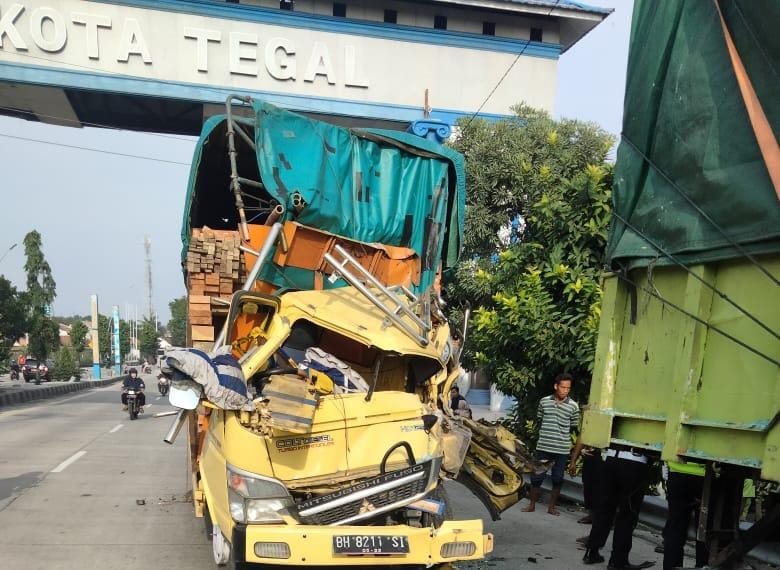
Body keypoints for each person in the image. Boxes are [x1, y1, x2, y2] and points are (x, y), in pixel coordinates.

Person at [583, 448, 655, 569]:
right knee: (627, 513)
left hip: (611, 459)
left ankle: (591, 551)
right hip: (635, 461)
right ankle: (618, 560)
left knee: (605, 508)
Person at [522, 372, 580, 516]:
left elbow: (573, 425)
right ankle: (532, 505)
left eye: (568, 388)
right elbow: (540, 418)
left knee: (558, 478)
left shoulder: (573, 406)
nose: (565, 390)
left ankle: (551, 507)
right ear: (556, 386)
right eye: (563, 387)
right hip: (544, 447)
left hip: (561, 449)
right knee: (537, 477)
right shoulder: (544, 401)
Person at [663, 461, 707, 569]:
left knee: (675, 528)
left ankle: (671, 567)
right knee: (704, 530)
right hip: (705, 475)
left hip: (677, 472)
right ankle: (702, 566)